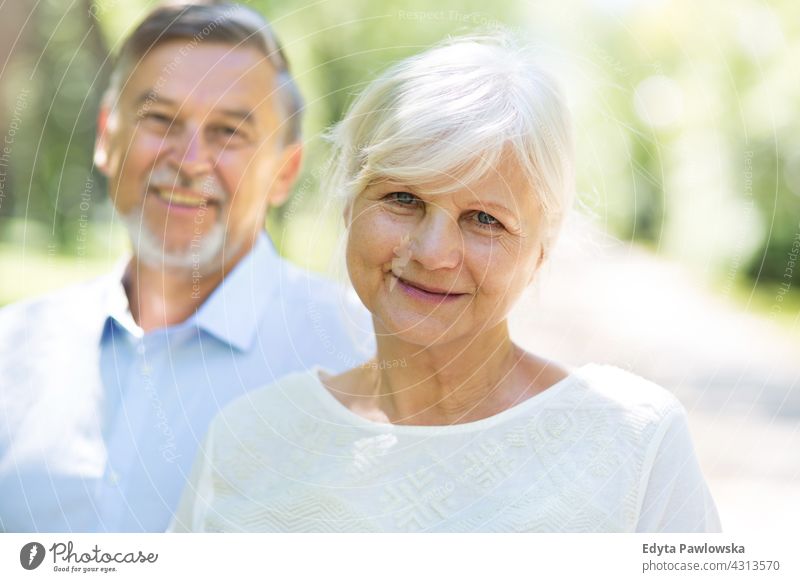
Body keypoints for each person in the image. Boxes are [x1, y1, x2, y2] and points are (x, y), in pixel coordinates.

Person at [171, 32, 721, 533]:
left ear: (541, 249)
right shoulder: (248, 438)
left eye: (485, 219)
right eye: (403, 199)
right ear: (350, 207)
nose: (433, 253)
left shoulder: (633, 443)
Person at [0, 3, 370, 533]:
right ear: (107, 136)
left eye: (229, 131)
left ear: (284, 172)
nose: (190, 158)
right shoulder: (11, 348)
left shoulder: (359, 357)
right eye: (159, 119)